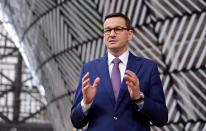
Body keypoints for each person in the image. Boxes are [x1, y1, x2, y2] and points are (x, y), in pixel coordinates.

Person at [70, 12, 168, 131]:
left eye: (118, 29)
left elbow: (162, 118)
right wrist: (86, 103)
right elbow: (76, 122)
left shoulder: (148, 68)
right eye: (107, 30)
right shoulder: (89, 69)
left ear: (130, 34)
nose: (112, 34)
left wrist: (139, 98)